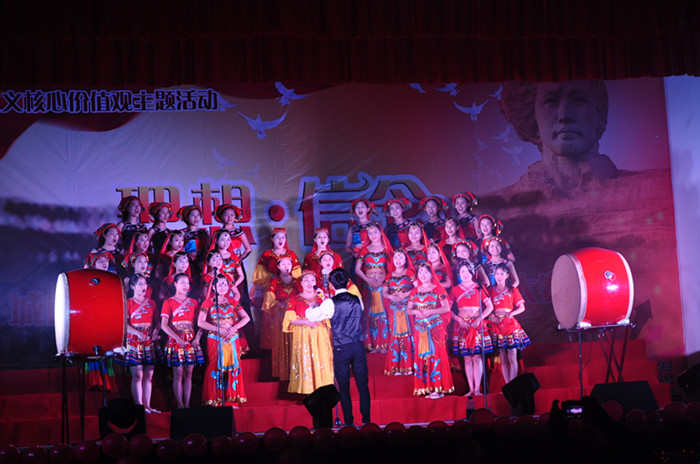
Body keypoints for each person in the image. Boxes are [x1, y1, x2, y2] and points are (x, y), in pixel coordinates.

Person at [499, 80, 617, 194]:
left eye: (578, 100)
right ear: (533, 118)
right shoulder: (500, 203)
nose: (565, 115)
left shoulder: (630, 193)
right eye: (550, 101)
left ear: (599, 115)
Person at [306, 268, 371, 426]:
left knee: (344, 386)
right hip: (358, 345)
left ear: (331, 284)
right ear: (347, 281)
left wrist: (313, 305)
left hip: (342, 347)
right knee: (363, 385)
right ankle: (367, 421)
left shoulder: (330, 303)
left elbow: (311, 316)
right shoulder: (357, 299)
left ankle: (348, 422)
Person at [198, 275, 250, 407]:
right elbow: (200, 322)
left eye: (225, 284)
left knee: (233, 367)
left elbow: (246, 318)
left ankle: (231, 399)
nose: (223, 287)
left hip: (232, 337)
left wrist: (234, 328)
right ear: (213, 287)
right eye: (220, 284)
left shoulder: (233, 301)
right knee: (216, 367)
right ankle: (215, 400)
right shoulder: (207, 302)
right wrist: (218, 329)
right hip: (215, 338)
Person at [283, 271, 334, 394]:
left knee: (321, 357)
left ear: (316, 283)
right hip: (303, 334)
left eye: (312, 280)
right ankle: (307, 389)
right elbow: (290, 319)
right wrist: (306, 322)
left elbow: (330, 313)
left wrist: (323, 298)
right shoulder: (294, 299)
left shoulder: (322, 298)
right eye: (306, 280)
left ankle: (323, 387)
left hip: (320, 334)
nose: (309, 283)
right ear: (301, 283)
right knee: (305, 359)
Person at [407, 263, 454, 398]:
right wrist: (416, 312)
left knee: (436, 354)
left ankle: (438, 388)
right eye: (420, 272)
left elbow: (446, 308)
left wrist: (431, 312)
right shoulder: (414, 291)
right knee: (423, 355)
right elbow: (409, 310)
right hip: (420, 329)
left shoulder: (438, 289)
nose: (423, 275)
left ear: (431, 274)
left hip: (435, 328)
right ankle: (426, 387)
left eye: (426, 272)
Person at [160, 273, 204, 409]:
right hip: (175, 340)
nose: (186, 285)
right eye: (182, 282)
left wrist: (197, 338)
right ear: (175, 284)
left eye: (187, 283)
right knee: (177, 373)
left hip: (191, 340)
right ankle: (180, 404)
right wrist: (178, 339)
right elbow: (163, 325)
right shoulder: (168, 302)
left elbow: (201, 323)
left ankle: (187, 404)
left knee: (189, 373)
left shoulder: (194, 302)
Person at [450, 262, 493, 397]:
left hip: (476, 325)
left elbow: (490, 306)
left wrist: (479, 319)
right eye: (462, 271)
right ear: (459, 274)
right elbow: (447, 309)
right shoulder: (455, 289)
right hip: (462, 325)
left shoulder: (479, 287)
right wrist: (459, 320)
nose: (465, 274)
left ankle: (477, 390)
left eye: (468, 271)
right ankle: (471, 389)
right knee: (467, 358)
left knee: (477, 357)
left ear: (473, 273)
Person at [122, 274, 162, 413]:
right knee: (138, 375)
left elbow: (157, 322)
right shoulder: (128, 303)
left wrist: (156, 331)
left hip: (149, 341)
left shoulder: (152, 303)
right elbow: (124, 324)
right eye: (140, 284)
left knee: (149, 375)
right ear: (132, 286)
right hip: (135, 341)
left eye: (145, 284)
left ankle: (148, 406)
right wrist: (138, 333)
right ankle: (140, 406)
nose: (143, 286)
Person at [487, 263, 530, 384]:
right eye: (497, 274)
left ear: (507, 276)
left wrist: (511, 314)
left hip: (510, 324)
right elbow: (486, 308)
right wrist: (492, 317)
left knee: (512, 355)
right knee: (502, 357)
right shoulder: (490, 291)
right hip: (497, 324)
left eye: (502, 274)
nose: (499, 276)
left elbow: (522, 307)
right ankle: (507, 385)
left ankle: (513, 385)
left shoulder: (512, 290)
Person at [354, 222, 393, 352]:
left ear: (381, 233)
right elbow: (357, 269)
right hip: (368, 287)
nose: (373, 235)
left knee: (385, 314)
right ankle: (373, 344)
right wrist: (368, 279)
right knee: (369, 315)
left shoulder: (387, 249)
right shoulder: (364, 250)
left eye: (375, 232)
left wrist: (383, 280)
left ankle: (385, 344)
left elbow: (393, 268)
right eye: (370, 233)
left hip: (383, 287)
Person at [261, 256, 300, 380]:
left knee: (295, 341)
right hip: (280, 315)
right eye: (283, 264)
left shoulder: (297, 282)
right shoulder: (274, 282)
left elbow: (302, 296)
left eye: (289, 263)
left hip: (294, 315)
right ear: (278, 266)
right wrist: (281, 304)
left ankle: (297, 372)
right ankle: (282, 372)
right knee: (280, 342)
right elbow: (269, 300)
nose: (286, 266)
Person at [382, 248, 415, 375]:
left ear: (406, 260)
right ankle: (396, 366)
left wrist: (405, 294)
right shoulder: (389, 275)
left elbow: (418, 287)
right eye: (396, 257)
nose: (398, 260)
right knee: (395, 335)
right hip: (394, 310)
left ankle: (409, 366)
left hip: (407, 308)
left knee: (409, 334)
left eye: (401, 257)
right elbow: (384, 292)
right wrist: (391, 296)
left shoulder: (410, 273)